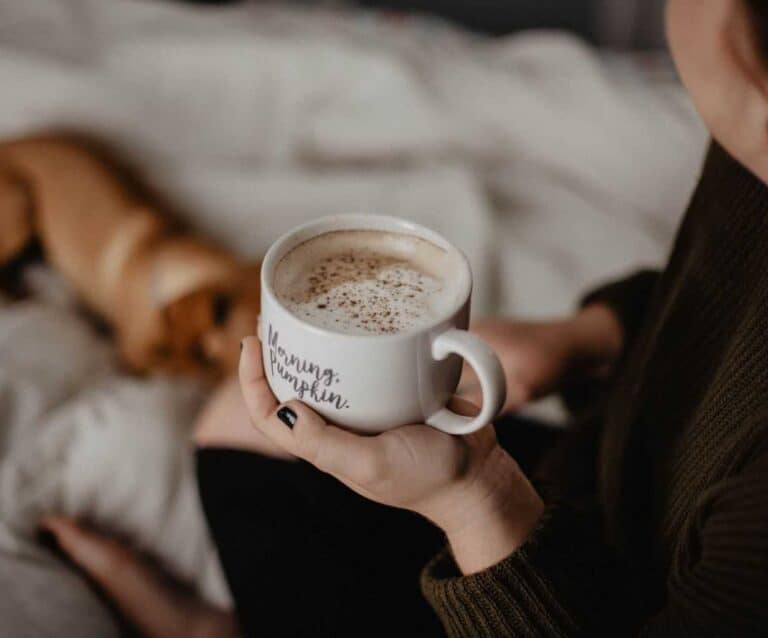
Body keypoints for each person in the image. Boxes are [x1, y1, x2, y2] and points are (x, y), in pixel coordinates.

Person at [44, 0, 768, 635]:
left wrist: (473, 496)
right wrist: (586, 337)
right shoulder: (752, 144)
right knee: (239, 421)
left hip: (562, 589)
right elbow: (720, 308)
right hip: (599, 483)